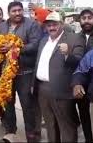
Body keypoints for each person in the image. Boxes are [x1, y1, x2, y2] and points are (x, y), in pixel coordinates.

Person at [0, 1, 42, 142]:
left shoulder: (31, 25)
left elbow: (35, 45)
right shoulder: (2, 26)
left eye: (19, 10)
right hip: (7, 72)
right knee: (8, 105)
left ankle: (32, 135)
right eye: (14, 11)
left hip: (25, 72)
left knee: (27, 105)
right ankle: (11, 134)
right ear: (9, 13)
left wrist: (15, 48)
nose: (17, 13)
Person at [34, 11, 84, 142]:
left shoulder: (73, 38)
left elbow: (80, 62)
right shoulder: (44, 40)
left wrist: (68, 53)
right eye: (48, 25)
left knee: (66, 126)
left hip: (62, 90)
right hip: (42, 89)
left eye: (54, 24)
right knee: (50, 125)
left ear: (61, 24)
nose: (51, 27)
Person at [76, 7, 93, 142]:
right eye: (83, 18)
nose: (86, 21)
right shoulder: (76, 36)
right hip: (81, 86)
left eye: (89, 18)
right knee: (85, 118)